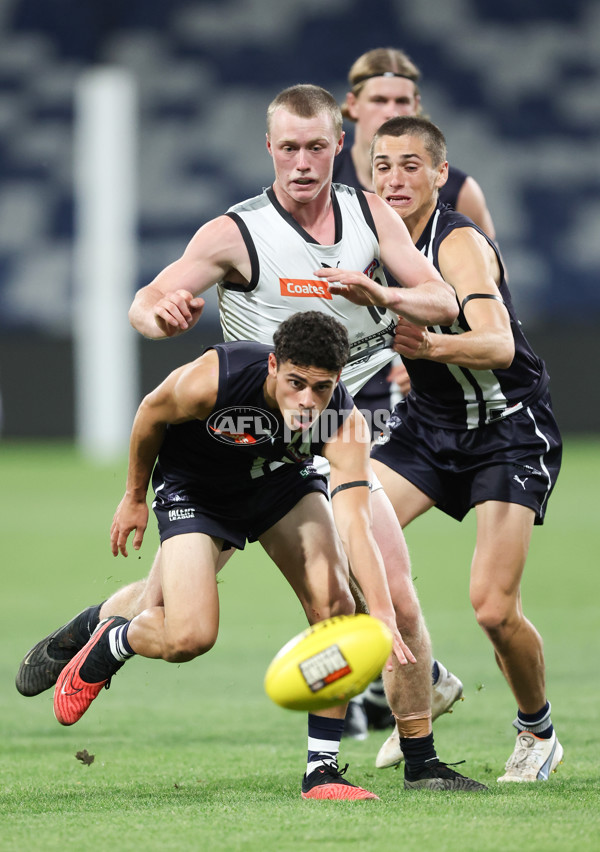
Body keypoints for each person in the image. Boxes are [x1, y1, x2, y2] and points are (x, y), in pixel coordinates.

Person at [18, 85, 485, 793]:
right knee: (179, 623)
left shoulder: (369, 217)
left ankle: (378, 766)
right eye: (289, 147)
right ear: (270, 148)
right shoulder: (235, 235)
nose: (302, 162)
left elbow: (444, 302)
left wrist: (381, 295)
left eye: (317, 147)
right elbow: (150, 301)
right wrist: (159, 316)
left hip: (326, 435)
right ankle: (100, 630)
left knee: (373, 596)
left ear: (339, 147)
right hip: (228, 440)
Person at [53, 311, 414, 800]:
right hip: (197, 490)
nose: (308, 401)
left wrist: (384, 612)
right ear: (272, 366)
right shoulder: (214, 380)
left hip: (281, 485)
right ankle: (116, 639)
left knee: (337, 610)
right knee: (188, 637)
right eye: (296, 383)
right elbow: (151, 413)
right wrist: (135, 496)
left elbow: (355, 522)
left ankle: (322, 772)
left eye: (322, 388)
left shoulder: (344, 424)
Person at [316, 115, 563, 783]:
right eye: (383, 165)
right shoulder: (368, 240)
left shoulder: (458, 244)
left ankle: (537, 732)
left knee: (492, 607)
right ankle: (428, 682)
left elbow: (500, 344)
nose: (395, 178)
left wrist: (431, 346)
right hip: (429, 428)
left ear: (438, 175)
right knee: (348, 543)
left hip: (508, 429)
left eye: (410, 165)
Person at [333, 47, 488, 737]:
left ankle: (406, 686)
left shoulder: (457, 194)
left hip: (414, 393)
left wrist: (429, 347)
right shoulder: (321, 185)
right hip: (341, 386)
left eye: (406, 104)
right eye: (381, 102)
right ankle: (407, 680)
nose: (394, 114)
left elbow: (486, 291)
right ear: (352, 110)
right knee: (337, 545)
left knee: (356, 536)